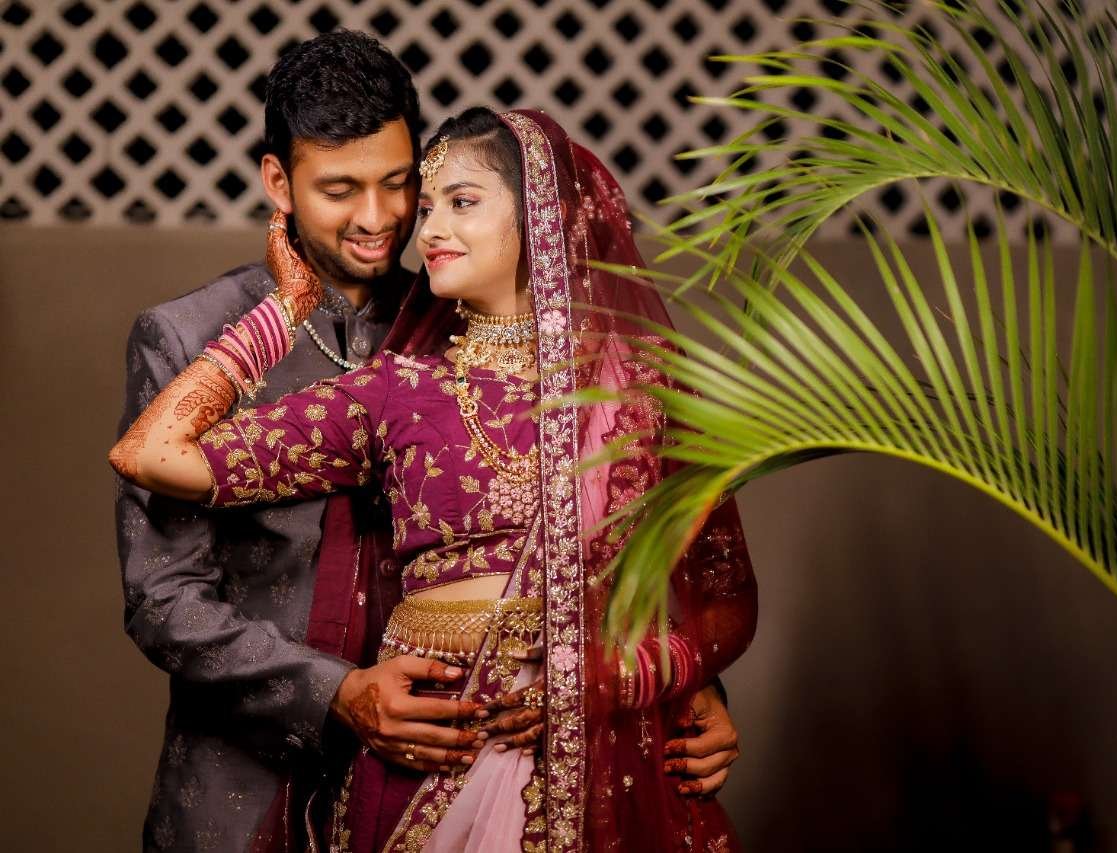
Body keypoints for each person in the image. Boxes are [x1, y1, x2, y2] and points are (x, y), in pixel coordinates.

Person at [114, 31, 742, 852]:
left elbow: (635, 557)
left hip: (497, 753)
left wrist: (684, 684)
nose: (383, 219)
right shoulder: (192, 336)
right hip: (256, 779)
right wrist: (339, 693)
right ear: (278, 181)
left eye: (402, 184)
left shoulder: (472, 316)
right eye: (340, 189)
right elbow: (164, 597)